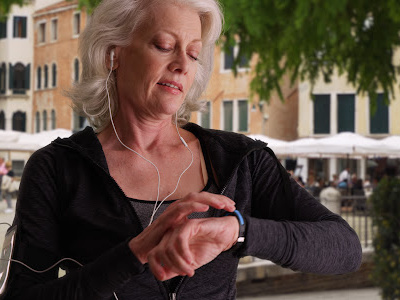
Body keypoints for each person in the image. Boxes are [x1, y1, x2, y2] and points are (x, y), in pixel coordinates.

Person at [4, 0, 362, 299]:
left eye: (193, 53)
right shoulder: (57, 169)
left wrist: (237, 232)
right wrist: (135, 253)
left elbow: (344, 248)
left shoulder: (241, 160)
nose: (182, 64)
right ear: (114, 54)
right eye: (163, 45)